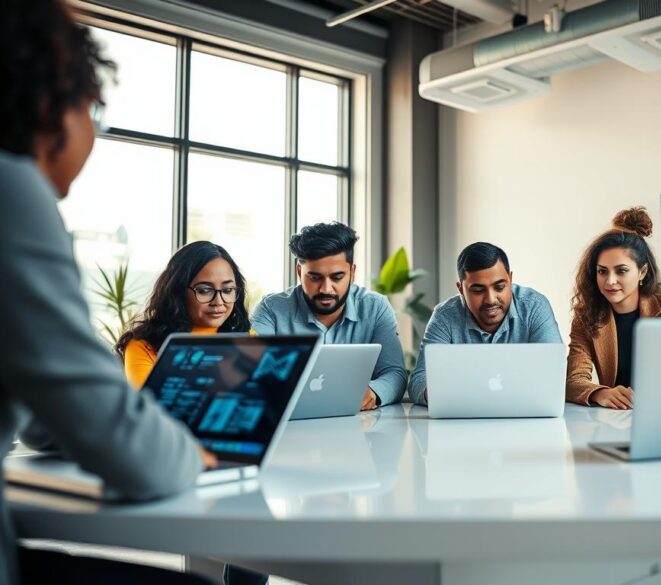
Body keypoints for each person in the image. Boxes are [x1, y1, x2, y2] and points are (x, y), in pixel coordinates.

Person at [0, 1, 212, 583]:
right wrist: (193, 454)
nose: (93, 131)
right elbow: (134, 453)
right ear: (52, 105)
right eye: (93, 110)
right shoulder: (13, 192)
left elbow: (50, 415)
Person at [251, 222, 406, 410]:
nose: (326, 288)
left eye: (337, 277)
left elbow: (394, 373)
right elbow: (254, 371)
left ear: (352, 272)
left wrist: (373, 392)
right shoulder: (271, 310)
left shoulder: (376, 307)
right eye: (315, 277)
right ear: (300, 272)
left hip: (359, 425)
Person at [408, 242, 562, 405]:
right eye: (478, 290)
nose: (490, 299)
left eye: (500, 287)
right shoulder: (444, 317)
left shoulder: (534, 306)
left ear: (510, 279)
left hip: (525, 417)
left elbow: (553, 372)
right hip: (463, 420)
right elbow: (419, 380)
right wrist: (439, 393)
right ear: (461, 289)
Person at [566, 207, 661, 409]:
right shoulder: (586, 317)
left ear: (642, 272)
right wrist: (601, 393)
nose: (610, 281)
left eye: (621, 271)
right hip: (617, 417)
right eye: (602, 272)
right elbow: (573, 381)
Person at [118, 241, 252, 388]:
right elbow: (151, 407)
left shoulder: (246, 336)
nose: (219, 302)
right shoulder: (144, 346)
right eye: (204, 291)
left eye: (227, 290)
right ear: (178, 291)